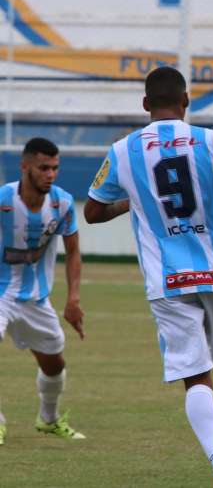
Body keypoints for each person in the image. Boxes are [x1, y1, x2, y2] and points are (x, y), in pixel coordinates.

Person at [85, 66, 213, 488]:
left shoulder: (122, 150)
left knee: (196, 376)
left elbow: (93, 211)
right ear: (187, 101)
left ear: (144, 105)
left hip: (167, 279)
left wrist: (132, 204)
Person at [0, 138, 86, 446]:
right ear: (25, 167)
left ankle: (48, 420)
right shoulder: (4, 200)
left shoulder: (61, 203)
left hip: (36, 298)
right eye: (43, 168)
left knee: (54, 365)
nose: (50, 174)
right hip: (0, 294)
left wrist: (73, 297)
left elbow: (73, 250)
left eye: (55, 168)